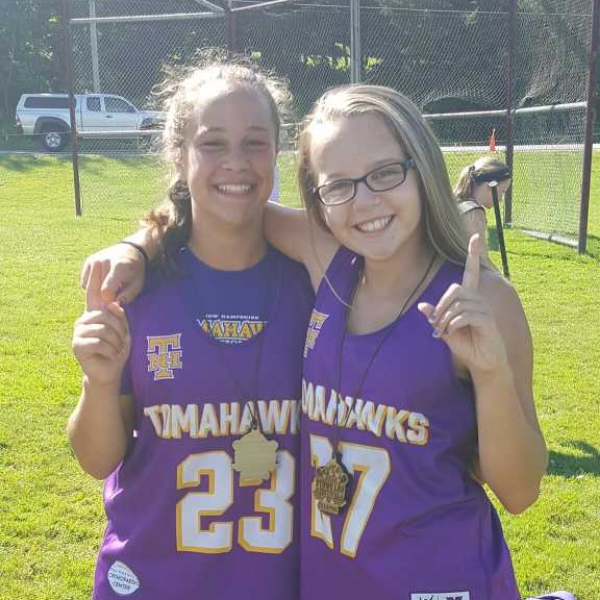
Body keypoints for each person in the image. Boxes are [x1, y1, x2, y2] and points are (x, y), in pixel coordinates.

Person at [82, 85, 552, 600]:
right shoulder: (328, 262)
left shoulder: (482, 298)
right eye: (339, 185)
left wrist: (491, 373)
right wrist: (138, 245)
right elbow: (227, 202)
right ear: (317, 199)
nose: (365, 201)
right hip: (334, 584)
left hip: (441, 582)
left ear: (422, 166)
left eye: (385, 173)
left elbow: (520, 491)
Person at [68, 57, 313, 600]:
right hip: (152, 579)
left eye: (254, 143)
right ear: (178, 155)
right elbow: (97, 459)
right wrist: (99, 382)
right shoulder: (137, 286)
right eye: (212, 143)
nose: (236, 162)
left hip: (277, 583)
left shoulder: (315, 281)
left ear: (277, 150)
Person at [453, 155, 512, 252]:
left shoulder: (454, 203)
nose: (501, 199)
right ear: (492, 185)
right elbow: (480, 256)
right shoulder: (474, 213)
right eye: (503, 192)